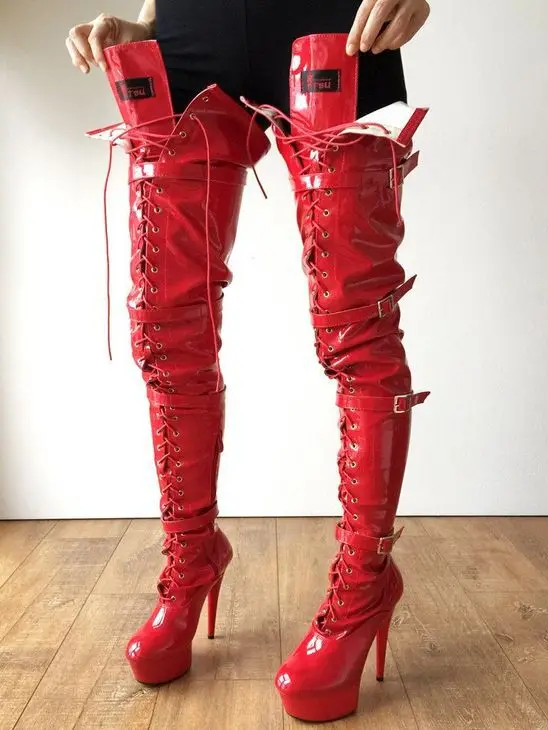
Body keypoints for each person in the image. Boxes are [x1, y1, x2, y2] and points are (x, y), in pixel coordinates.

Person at [66, 0, 431, 722]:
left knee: (357, 328)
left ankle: (364, 588)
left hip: (337, 21)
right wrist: (149, 20)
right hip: (189, 35)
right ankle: (191, 560)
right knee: (167, 327)